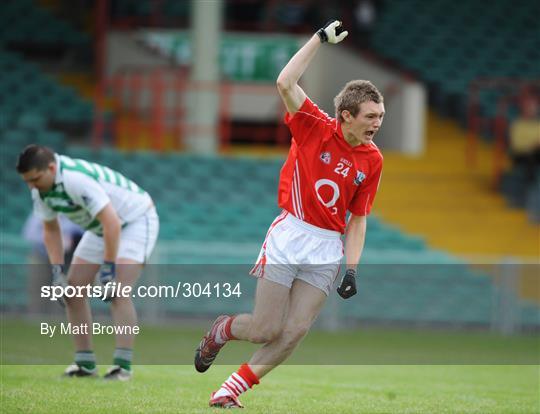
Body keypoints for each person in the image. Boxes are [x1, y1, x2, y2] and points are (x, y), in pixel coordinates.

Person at [194, 20, 384, 408]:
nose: (377, 124)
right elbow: (285, 82)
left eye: (380, 116)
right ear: (346, 115)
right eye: (370, 117)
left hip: (328, 247)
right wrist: (318, 39)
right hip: (290, 233)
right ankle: (222, 329)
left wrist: (352, 268)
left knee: (295, 331)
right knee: (265, 328)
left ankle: (230, 390)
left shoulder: (373, 160)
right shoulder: (314, 126)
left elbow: (359, 218)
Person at [16, 145, 159, 380]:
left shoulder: (75, 179)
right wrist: (56, 273)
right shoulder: (41, 190)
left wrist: (108, 270)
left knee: (118, 289)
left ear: (51, 168)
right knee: (72, 290)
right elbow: (51, 230)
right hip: (101, 226)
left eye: (36, 179)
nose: (32, 185)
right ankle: (85, 363)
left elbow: (112, 221)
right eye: (27, 181)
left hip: (135, 219)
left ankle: (122, 366)